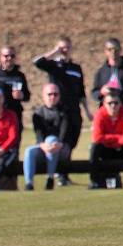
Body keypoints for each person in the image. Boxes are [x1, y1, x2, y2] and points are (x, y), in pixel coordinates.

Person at [33, 36, 93, 185]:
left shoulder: (76, 68)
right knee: (61, 142)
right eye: (62, 47)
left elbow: (81, 92)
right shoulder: (53, 66)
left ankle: (63, 175)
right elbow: (37, 62)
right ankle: (60, 175)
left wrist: (87, 111)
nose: (64, 51)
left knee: (70, 144)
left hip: (74, 112)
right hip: (59, 113)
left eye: (67, 47)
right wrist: (54, 52)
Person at [0, 45, 30, 146]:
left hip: (15, 116)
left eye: (12, 56)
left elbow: (27, 96)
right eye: (6, 56)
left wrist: (21, 95)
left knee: (14, 146)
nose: (9, 59)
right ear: (1, 57)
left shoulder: (20, 76)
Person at [23, 84, 68, 191]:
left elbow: (63, 132)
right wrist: (43, 145)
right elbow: (39, 134)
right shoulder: (38, 114)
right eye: (49, 94)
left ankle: (50, 178)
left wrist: (59, 143)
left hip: (61, 149)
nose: (53, 97)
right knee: (29, 151)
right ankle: (29, 183)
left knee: (52, 140)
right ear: (43, 96)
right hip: (44, 147)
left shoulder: (65, 112)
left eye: (55, 94)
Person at [91, 38, 123, 111]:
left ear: (120, 50)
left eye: (116, 49)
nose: (113, 52)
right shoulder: (101, 72)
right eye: (110, 49)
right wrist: (101, 92)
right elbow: (94, 93)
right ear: (105, 51)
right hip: (106, 113)